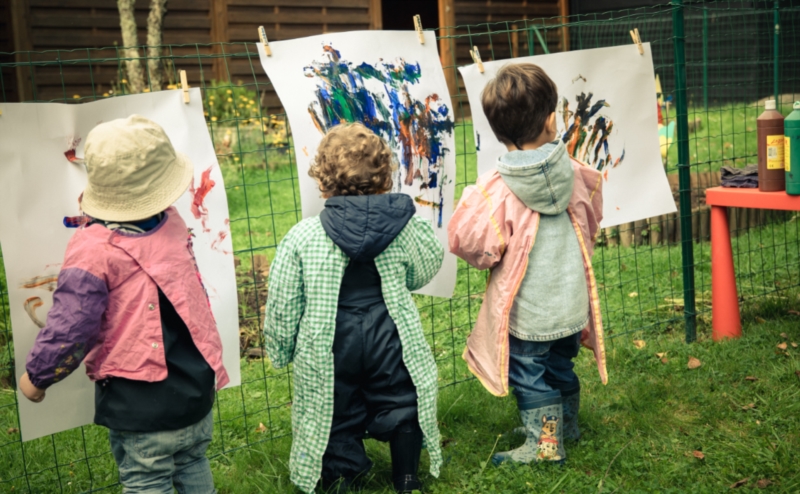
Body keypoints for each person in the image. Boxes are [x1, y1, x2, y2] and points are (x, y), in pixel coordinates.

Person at [18, 115, 229, 493]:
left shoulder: (93, 248)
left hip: (140, 406)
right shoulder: (173, 222)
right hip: (196, 386)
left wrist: (38, 377)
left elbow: (71, 325)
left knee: (147, 480)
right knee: (192, 463)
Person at [264, 122, 443, 494]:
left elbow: (284, 301)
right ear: (384, 178)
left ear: (323, 181)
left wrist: (279, 348)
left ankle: (343, 477)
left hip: (331, 342)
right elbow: (427, 265)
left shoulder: (303, 235)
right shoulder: (405, 227)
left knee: (335, 405)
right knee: (399, 396)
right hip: (388, 334)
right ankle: (407, 478)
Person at [448, 63, 607, 466]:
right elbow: (592, 218)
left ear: (499, 132)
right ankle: (565, 426)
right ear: (553, 121)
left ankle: (545, 443)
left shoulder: (495, 190)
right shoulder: (576, 172)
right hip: (572, 304)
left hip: (530, 315)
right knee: (560, 363)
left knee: (530, 374)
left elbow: (467, 241)